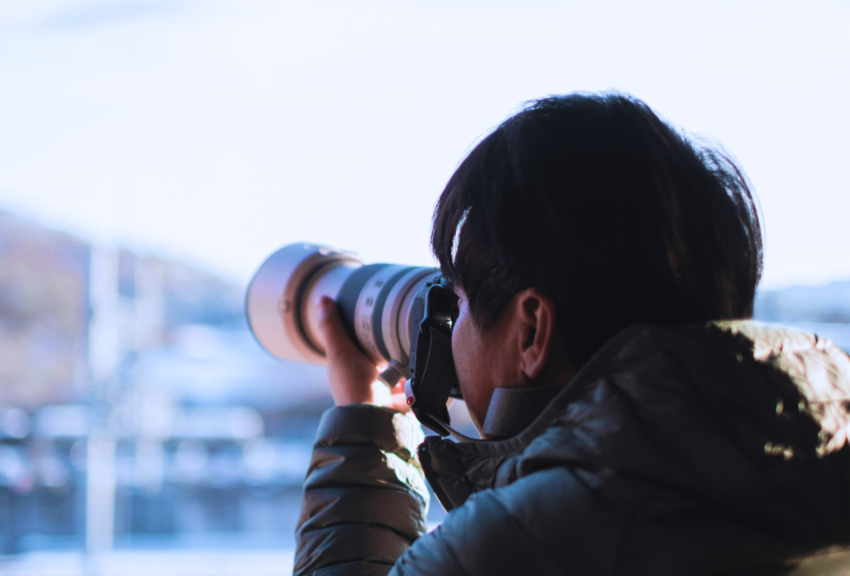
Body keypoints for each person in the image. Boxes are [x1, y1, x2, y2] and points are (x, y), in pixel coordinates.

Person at [292, 93, 850, 575]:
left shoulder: (527, 543)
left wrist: (366, 422)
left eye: (458, 302)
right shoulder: (820, 470)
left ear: (532, 329)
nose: (446, 328)